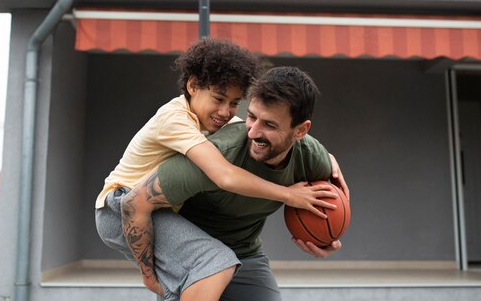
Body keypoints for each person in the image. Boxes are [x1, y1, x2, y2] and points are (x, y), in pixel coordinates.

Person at [95, 40, 346, 298]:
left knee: (216, 263)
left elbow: (322, 178)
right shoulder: (178, 122)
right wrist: (288, 194)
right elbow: (223, 175)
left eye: (235, 103)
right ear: (192, 86)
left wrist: (328, 233)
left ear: (300, 131)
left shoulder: (222, 125)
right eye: (219, 99)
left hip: (194, 229)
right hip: (121, 204)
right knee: (215, 264)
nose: (227, 113)